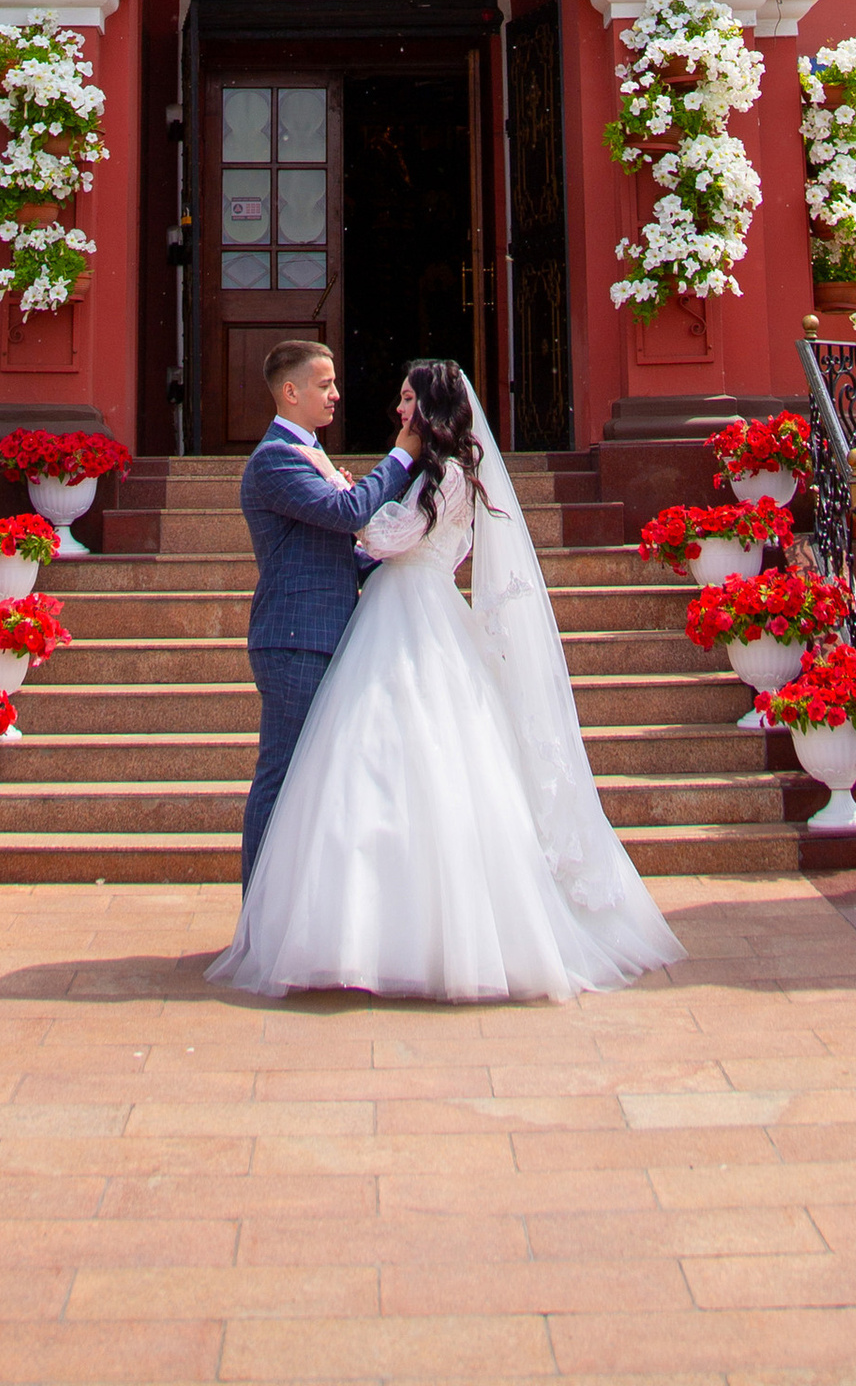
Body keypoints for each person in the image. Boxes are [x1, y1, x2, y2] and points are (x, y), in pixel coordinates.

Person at [212, 355, 684, 1004]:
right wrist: (362, 492)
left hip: (417, 620)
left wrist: (358, 493)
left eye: (408, 398)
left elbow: (388, 535)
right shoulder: (387, 467)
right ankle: (326, 927)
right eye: (398, 398)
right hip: (377, 619)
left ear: (432, 407)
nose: (398, 409)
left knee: (423, 770)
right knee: (360, 776)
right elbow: (368, 526)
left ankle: (412, 935)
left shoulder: (454, 474)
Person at [234, 336, 416, 891]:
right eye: (324, 384)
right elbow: (349, 511)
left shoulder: (309, 453)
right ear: (290, 392)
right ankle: (259, 909)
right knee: (283, 773)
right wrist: (403, 454)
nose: (337, 394)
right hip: (295, 639)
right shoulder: (276, 460)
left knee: (317, 777)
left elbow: (339, 548)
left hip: (326, 632)